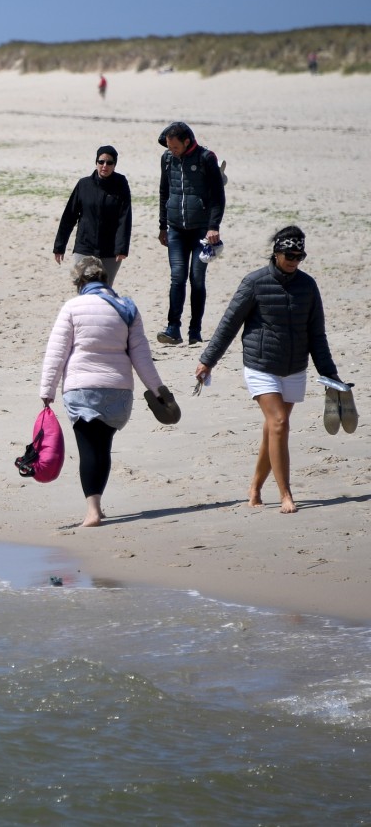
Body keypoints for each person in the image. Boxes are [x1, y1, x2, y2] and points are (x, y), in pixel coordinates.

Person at [195, 226, 345, 514]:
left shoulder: (308, 286)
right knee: (279, 424)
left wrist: (330, 376)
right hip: (261, 365)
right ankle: (285, 493)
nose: (294, 261)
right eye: (289, 255)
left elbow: (317, 335)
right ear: (276, 252)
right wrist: (208, 360)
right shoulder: (255, 282)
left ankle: (254, 488)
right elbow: (229, 323)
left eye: (299, 256)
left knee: (272, 431)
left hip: (294, 367)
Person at [40, 256, 170, 528]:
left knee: (88, 449)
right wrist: (157, 390)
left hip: (81, 389)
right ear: (106, 279)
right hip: (118, 390)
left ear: (79, 282)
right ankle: (97, 505)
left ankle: (93, 510)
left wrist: (47, 390)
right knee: (103, 447)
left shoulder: (72, 307)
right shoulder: (127, 307)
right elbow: (142, 356)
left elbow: (56, 353)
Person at [156, 120, 226, 346]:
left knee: (197, 279)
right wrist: (162, 225)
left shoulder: (206, 158)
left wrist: (213, 226)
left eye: (175, 146)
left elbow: (218, 196)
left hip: (201, 232)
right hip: (175, 229)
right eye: (168, 146)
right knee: (177, 277)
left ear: (187, 142)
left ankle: (194, 330)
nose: (171, 150)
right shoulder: (167, 159)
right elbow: (164, 191)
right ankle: (173, 328)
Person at [53, 145, 132, 286]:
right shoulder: (84, 185)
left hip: (110, 251)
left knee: (104, 289)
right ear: (96, 162)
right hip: (85, 247)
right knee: (83, 288)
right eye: (101, 162)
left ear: (115, 165)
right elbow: (69, 216)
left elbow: (124, 218)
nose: (104, 166)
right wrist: (60, 246)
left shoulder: (120, 184)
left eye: (109, 163)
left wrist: (121, 249)